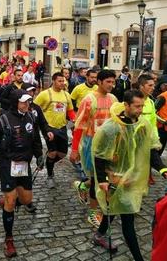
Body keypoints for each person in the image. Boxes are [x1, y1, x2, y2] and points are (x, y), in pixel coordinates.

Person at [91, 90, 167, 259]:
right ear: (126, 105)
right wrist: (103, 179)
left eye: (142, 106)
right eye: (137, 106)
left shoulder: (142, 125)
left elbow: (149, 149)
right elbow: (99, 155)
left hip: (132, 179)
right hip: (114, 178)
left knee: (113, 210)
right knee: (128, 220)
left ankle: (99, 235)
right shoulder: (110, 128)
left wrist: (162, 168)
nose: (140, 109)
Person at [0, 90, 43, 257]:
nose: (27, 104)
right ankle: (9, 239)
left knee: (26, 200)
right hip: (7, 163)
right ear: (15, 102)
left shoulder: (31, 117)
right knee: (11, 201)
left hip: (24, 164)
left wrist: (39, 155)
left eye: (28, 102)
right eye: (23, 102)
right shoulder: (2, 121)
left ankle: (8, 201)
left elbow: (36, 138)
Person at [70, 69, 117, 228]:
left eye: (113, 82)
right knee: (98, 179)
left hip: (108, 144)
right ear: (99, 82)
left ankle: (82, 185)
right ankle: (92, 213)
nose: (111, 85)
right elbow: (79, 125)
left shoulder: (113, 99)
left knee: (102, 177)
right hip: (92, 144)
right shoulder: (89, 100)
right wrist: (75, 149)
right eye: (108, 82)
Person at [34, 72, 76, 188]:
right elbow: (34, 107)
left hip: (62, 128)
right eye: (60, 81)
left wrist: (74, 119)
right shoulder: (45, 94)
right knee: (52, 152)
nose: (62, 83)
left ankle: (47, 162)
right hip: (49, 128)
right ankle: (50, 176)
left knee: (62, 154)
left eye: (63, 81)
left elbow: (70, 111)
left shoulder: (67, 95)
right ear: (53, 81)